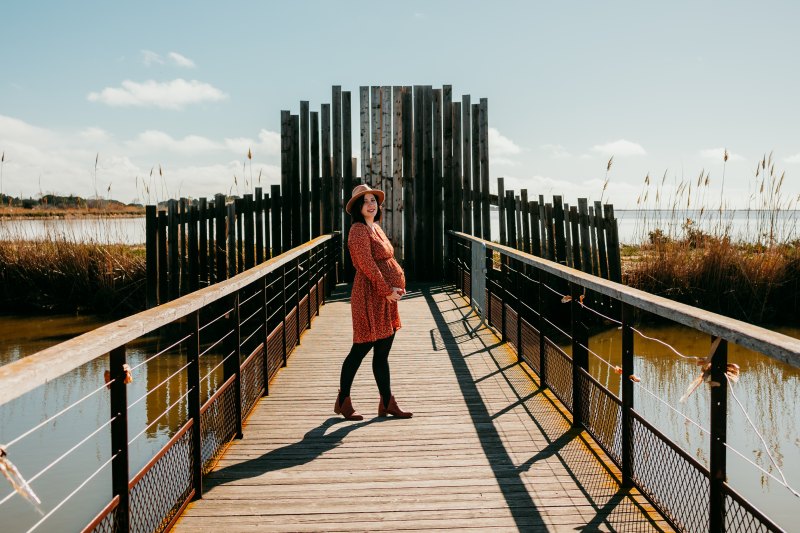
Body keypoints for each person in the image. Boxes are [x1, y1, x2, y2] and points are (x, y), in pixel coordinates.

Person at [334, 184, 413, 421]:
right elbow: (367, 265)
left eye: (373, 200)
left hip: (386, 297)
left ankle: (387, 402)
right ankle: (343, 400)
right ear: (358, 207)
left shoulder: (375, 228)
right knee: (361, 348)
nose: (371, 204)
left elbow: (388, 260)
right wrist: (386, 289)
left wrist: (398, 286)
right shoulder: (358, 231)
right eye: (366, 200)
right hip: (370, 295)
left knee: (382, 351)